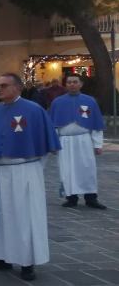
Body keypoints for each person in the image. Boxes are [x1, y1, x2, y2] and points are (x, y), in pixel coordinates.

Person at [0, 73, 60, 281]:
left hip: (24, 171)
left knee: (24, 216)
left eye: (4, 86)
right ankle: (0, 256)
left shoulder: (34, 111)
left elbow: (46, 146)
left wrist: (32, 170)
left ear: (18, 88)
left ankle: (26, 261)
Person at [49, 74, 106, 209]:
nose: (72, 84)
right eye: (69, 82)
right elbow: (53, 125)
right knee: (67, 169)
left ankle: (91, 198)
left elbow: (96, 124)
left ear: (81, 84)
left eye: (75, 82)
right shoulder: (57, 102)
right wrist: (54, 143)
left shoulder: (90, 101)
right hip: (65, 142)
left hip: (84, 140)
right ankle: (71, 197)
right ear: (65, 85)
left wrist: (97, 144)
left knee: (88, 168)